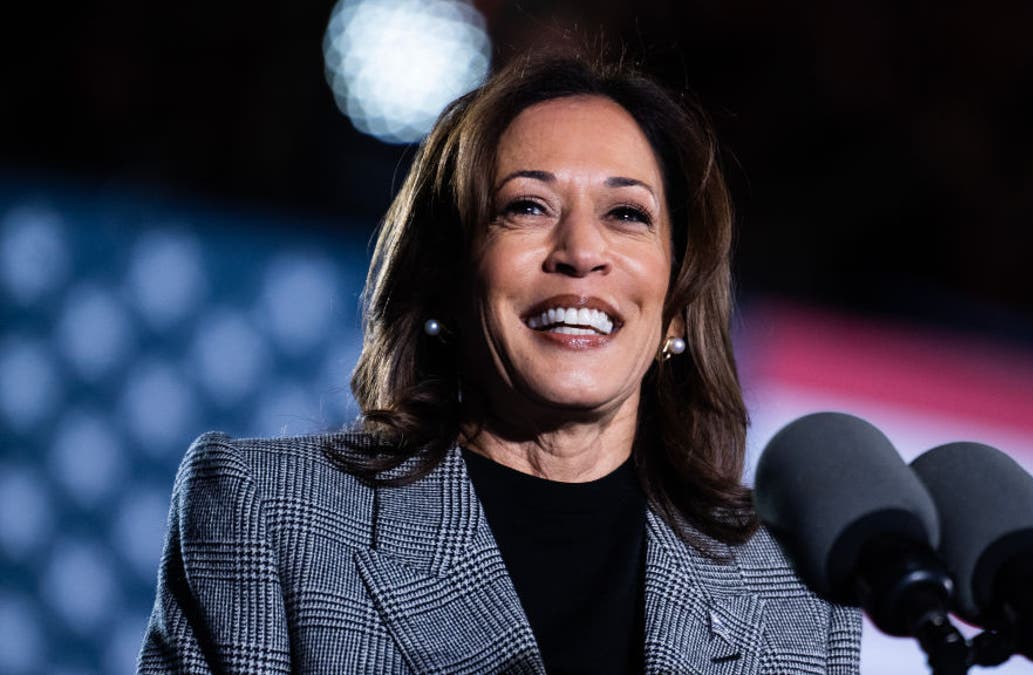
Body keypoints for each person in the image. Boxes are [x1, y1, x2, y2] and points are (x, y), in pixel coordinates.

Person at [138, 50, 862, 674]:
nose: (582, 252)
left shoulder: (798, 593)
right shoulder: (270, 516)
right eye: (528, 207)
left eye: (627, 214)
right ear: (446, 282)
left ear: (676, 305)